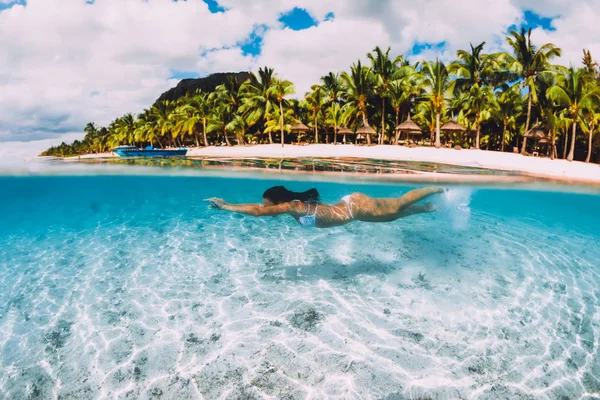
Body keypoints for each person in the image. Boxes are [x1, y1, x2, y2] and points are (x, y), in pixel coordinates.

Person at [204, 186, 444, 229]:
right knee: (393, 216)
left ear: (278, 202)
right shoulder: (293, 207)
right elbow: (257, 206)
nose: (266, 208)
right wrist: (231, 205)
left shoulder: (293, 206)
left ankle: (437, 188)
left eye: (269, 205)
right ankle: (426, 207)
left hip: (355, 208)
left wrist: (226, 207)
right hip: (353, 211)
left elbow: (257, 211)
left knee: (399, 205)